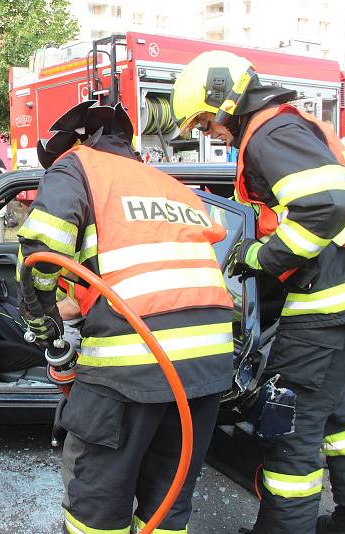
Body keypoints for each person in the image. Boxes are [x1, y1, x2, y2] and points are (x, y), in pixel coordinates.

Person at [172, 50, 345, 534]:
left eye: (207, 123)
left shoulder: (271, 133)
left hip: (332, 300)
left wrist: (259, 259)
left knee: (289, 422)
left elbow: (322, 208)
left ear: (225, 100)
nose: (211, 135)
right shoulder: (283, 128)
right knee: (334, 410)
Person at [17, 100, 235, 534]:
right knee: (167, 507)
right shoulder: (166, 184)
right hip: (207, 366)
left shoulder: (77, 166)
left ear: (76, 143)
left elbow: (42, 250)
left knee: (96, 509)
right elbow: (148, 274)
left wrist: (40, 319)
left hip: (133, 365)